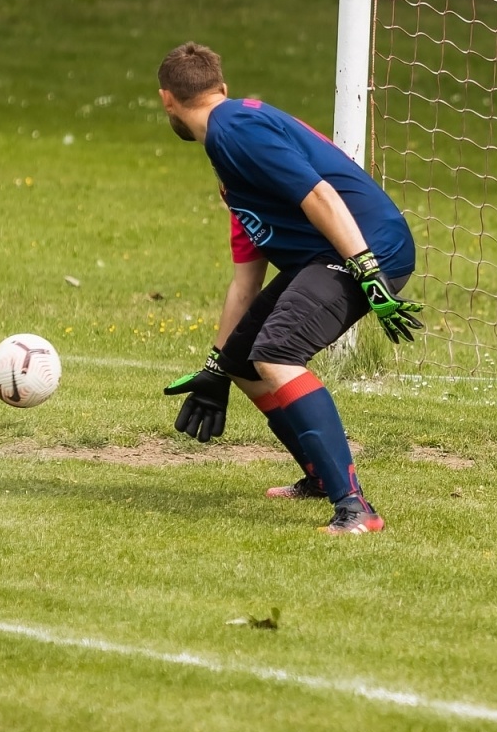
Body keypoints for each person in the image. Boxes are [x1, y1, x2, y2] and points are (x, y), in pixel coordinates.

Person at [156, 42, 423, 535]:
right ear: (221, 87)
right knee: (243, 362)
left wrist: (367, 269)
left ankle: (355, 509)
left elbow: (320, 194)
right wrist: (216, 367)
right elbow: (246, 281)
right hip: (332, 255)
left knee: (277, 353)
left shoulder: (235, 127)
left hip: (364, 247)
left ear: (166, 98)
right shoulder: (231, 165)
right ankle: (320, 475)